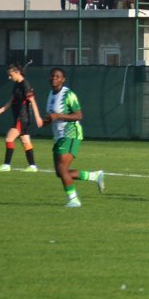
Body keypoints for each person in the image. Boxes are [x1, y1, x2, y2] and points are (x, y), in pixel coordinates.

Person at [42, 67, 104, 207]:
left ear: (63, 80)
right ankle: (94, 176)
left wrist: (58, 116)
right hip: (58, 136)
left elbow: (79, 115)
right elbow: (53, 117)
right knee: (60, 172)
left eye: (57, 76)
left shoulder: (68, 94)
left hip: (70, 134)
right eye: (52, 76)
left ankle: (74, 200)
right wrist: (47, 121)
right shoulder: (51, 94)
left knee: (62, 169)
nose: (54, 78)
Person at [0, 63, 43, 172]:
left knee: (9, 139)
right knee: (25, 142)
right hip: (20, 118)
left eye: (10, 75)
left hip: (22, 118)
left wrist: (38, 117)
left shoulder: (25, 85)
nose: (9, 77)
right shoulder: (17, 84)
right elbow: (11, 100)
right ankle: (32, 166)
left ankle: (6, 165)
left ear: (17, 72)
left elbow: (32, 101)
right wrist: (0, 110)